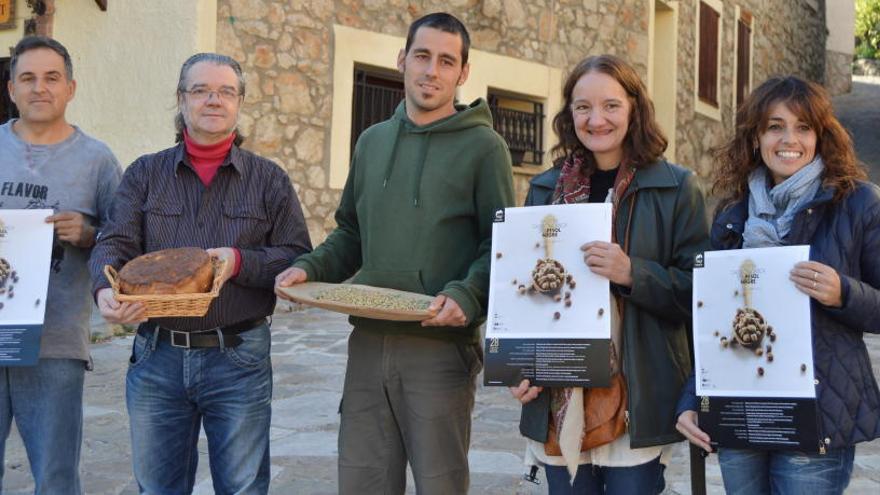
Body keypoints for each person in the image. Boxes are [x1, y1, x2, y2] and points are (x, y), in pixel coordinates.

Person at [275, 12, 514, 494]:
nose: (431, 71)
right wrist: (308, 267)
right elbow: (350, 233)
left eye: (447, 61)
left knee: (439, 485)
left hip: (439, 349)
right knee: (362, 482)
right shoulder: (371, 142)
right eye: (422, 56)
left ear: (462, 73)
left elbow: (500, 245)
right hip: (366, 343)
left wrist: (467, 296)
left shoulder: (485, 148)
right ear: (402, 59)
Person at [89, 53, 311, 494]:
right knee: (157, 488)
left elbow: (296, 255)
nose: (214, 99)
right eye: (201, 90)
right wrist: (104, 290)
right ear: (181, 99)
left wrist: (240, 261)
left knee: (243, 487)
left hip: (240, 356)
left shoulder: (269, 180)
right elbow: (113, 242)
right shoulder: (146, 173)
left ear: (240, 102)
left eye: (226, 91)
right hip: (158, 355)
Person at [509, 54, 709, 494]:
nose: (596, 119)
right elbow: (524, 294)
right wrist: (519, 368)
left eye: (611, 105)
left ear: (635, 108)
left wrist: (632, 272)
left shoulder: (676, 188)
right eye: (583, 107)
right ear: (569, 114)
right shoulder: (545, 188)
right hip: (558, 395)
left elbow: (703, 295)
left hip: (638, 394)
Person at [675, 76, 880, 495]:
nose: (790, 139)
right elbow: (714, 324)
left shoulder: (858, 202)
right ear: (756, 137)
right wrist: (693, 399)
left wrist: (843, 292)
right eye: (775, 126)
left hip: (818, 415)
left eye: (803, 127)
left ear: (821, 136)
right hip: (740, 410)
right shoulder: (735, 213)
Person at [0, 36, 122, 494]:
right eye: (27, 78)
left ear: (70, 88)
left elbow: (125, 242)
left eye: (52, 78)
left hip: (55, 342)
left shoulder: (97, 161)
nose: (39, 88)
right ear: (11, 88)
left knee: (54, 478)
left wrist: (89, 234)